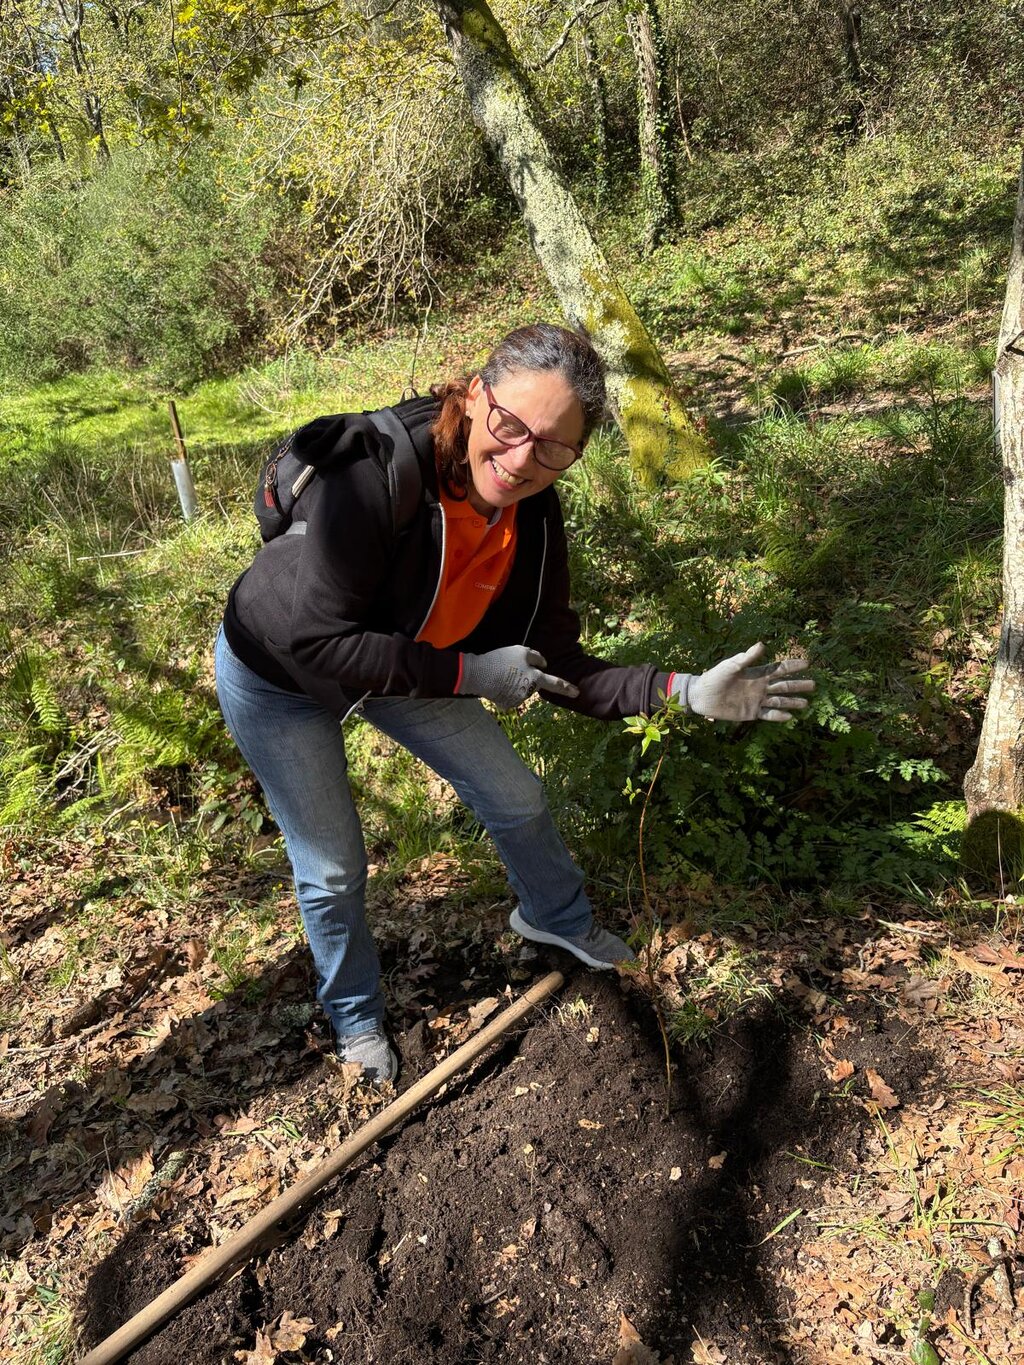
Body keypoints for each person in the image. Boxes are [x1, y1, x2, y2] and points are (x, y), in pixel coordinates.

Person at [215, 324, 814, 1082]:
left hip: (407, 664)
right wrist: (472, 674)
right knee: (333, 866)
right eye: (509, 425)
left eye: (555, 446)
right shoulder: (370, 475)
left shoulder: (531, 516)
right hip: (281, 673)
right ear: (473, 396)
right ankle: (356, 1015)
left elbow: (560, 663)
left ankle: (557, 922)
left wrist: (685, 691)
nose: (523, 459)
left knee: (515, 793)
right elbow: (319, 644)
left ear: (577, 454)